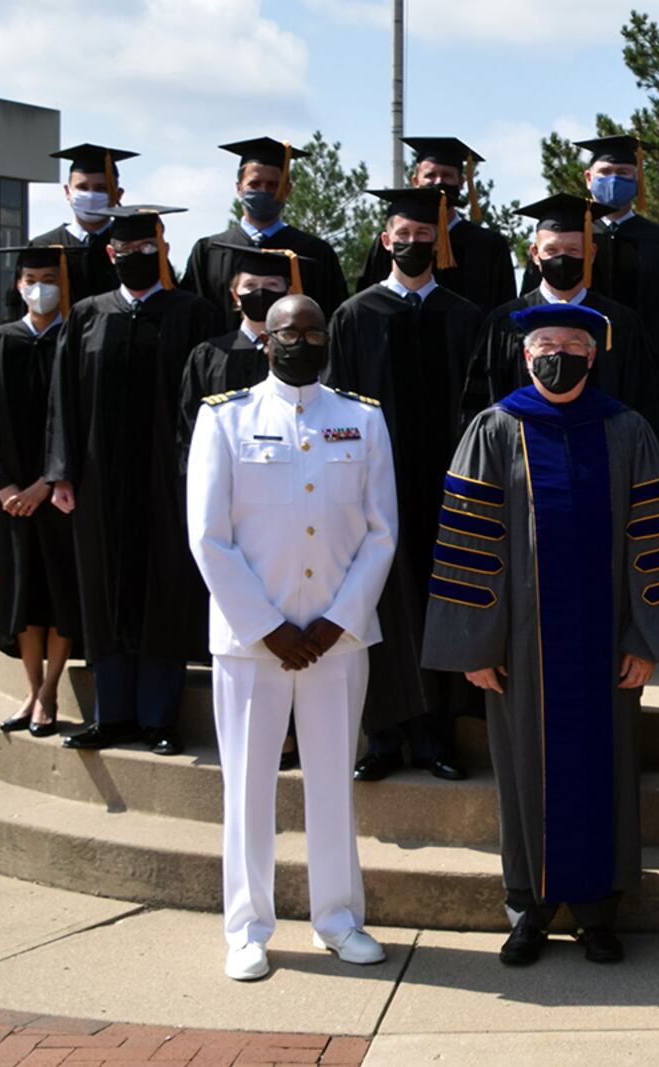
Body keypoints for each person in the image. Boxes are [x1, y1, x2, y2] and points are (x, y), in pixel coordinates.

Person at [420, 302, 659, 967]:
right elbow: (467, 544)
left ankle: (600, 912)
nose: (558, 353)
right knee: (523, 773)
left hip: (607, 646)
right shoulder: (493, 430)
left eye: (573, 343)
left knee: (609, 771)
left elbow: (654, 538)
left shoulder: (627, 430)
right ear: (524, 354)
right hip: (519, 649)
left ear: (594, 355)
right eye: (546, 342)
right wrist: (476, 647)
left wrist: (644, 638)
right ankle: (528, 909)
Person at [187, 293, 398, 982]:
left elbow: (381, 532)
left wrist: (340, 618)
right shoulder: (226, 419)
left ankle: (338, 919)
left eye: (314, 330)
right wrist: (268, 626)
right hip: (254, 644)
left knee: (334, 781)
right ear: (264, 339)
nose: (301, 340)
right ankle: (247, 929)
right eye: (288, 331)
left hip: (336, 641)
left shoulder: (361, 419)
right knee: (248, 786)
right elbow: (209, 537)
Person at [46, 205, 225, 757]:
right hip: (100, 483)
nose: (139, 260)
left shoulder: (193, 313)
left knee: (164, 593)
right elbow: (62, 400)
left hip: (168, 482)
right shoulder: (88, 316)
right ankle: (111, 714)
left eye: (150, 251)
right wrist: (61, 473)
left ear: (163, 251)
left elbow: (208, 400)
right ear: (110, 255)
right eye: (128, 253)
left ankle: (159, 718)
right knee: (104, 592)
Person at [326, 187, 485, 783]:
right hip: (374, 487)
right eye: (403, 235)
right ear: (384, 238)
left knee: (439, 604)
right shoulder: (354, 315)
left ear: (438, 242)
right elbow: (335, 408)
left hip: (447, 487)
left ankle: (437, 738)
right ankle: (382, 738)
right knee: (380, 604)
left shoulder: (465, 317)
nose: (412, 244)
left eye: (424, 237)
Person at [0, 245, 83, 739]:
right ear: (18, 285)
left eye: (50, 277)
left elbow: (81, 423)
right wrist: (5, 487)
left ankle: (50, 691)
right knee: (21, 595)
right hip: (8, 501)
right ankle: (29, 689)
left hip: (61, 495)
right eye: (32, 277)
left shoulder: (75, 342)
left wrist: (46, 481)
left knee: (60, 593)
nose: (40, 286)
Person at [464, 193, 659, 429]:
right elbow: (483, 404)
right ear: (535, 255)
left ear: (591, 253)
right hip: (522, 455)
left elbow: (644, 402)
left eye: (573, 250)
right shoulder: (505, 322)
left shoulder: (620, 323)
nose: (562, 259)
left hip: (606, 455)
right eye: (552, 250)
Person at [181, 139, 348, 326]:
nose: (263, 191)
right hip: (222, 355)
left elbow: (333, 319)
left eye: (272, 185)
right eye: (254, 184)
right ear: (239, 188)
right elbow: (191, 320)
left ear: (287, 189)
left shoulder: (315, 253)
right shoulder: (208, 252)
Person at [356, 137, 516, 312]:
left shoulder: (488, 245)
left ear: (462, 182)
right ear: (415, 181)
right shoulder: (392, 244)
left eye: (447, 176)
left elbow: (503, 309)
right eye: (430, 175)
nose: (439, 182)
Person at [177, 243, 302, 458]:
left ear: (288, 292)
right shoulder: (208, 356)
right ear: (235, 295)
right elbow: (189, 425)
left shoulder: (303, 353)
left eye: (272, 284)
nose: (260, 292)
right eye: (250, 285)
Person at [574, 133, 659, 360]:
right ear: (588, 178)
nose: (613, 179)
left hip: (644, 359)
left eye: (623, 173)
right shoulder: (572, 236)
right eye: (604, 172)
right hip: (581, 357)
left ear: (637, 179)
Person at [28, 144, 137, 303]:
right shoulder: (42, 247)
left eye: (101, 188)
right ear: (67, 192)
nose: (91, 195)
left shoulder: (134, 246)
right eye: (82, 187)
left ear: (118, 194)